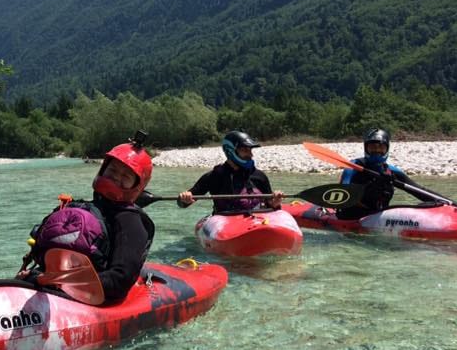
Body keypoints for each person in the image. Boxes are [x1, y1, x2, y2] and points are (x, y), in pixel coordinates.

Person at [22, 133, 156, 304]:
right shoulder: (75, 208)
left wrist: (62, 283)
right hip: (47, 285)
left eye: (125, 177)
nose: (116, 178)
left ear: (137, 186)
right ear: (103, 170)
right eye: (113, 170)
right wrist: (36, 276)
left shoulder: (130, 222)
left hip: (90, 297)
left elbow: (119, 280)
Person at [335, 128, 433, 219]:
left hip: (380, 215)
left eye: (381, 148)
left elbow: (419, 190)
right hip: (351, 215)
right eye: (372, 148)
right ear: (366, 149)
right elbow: (343, 193)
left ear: (387, 149)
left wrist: (444, 202)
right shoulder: (354, 166)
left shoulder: (391, 171)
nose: (377, 151)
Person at [177, 130, 283, 214]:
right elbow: (183, 203)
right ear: (230, 151)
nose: (250, 155)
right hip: (225, 221)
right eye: (245, 150)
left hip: (257, 219)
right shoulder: (215, 176)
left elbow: (271, 205)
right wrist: (185, 199)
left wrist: (275, 202)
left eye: (250, 150)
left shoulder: (259, 176)